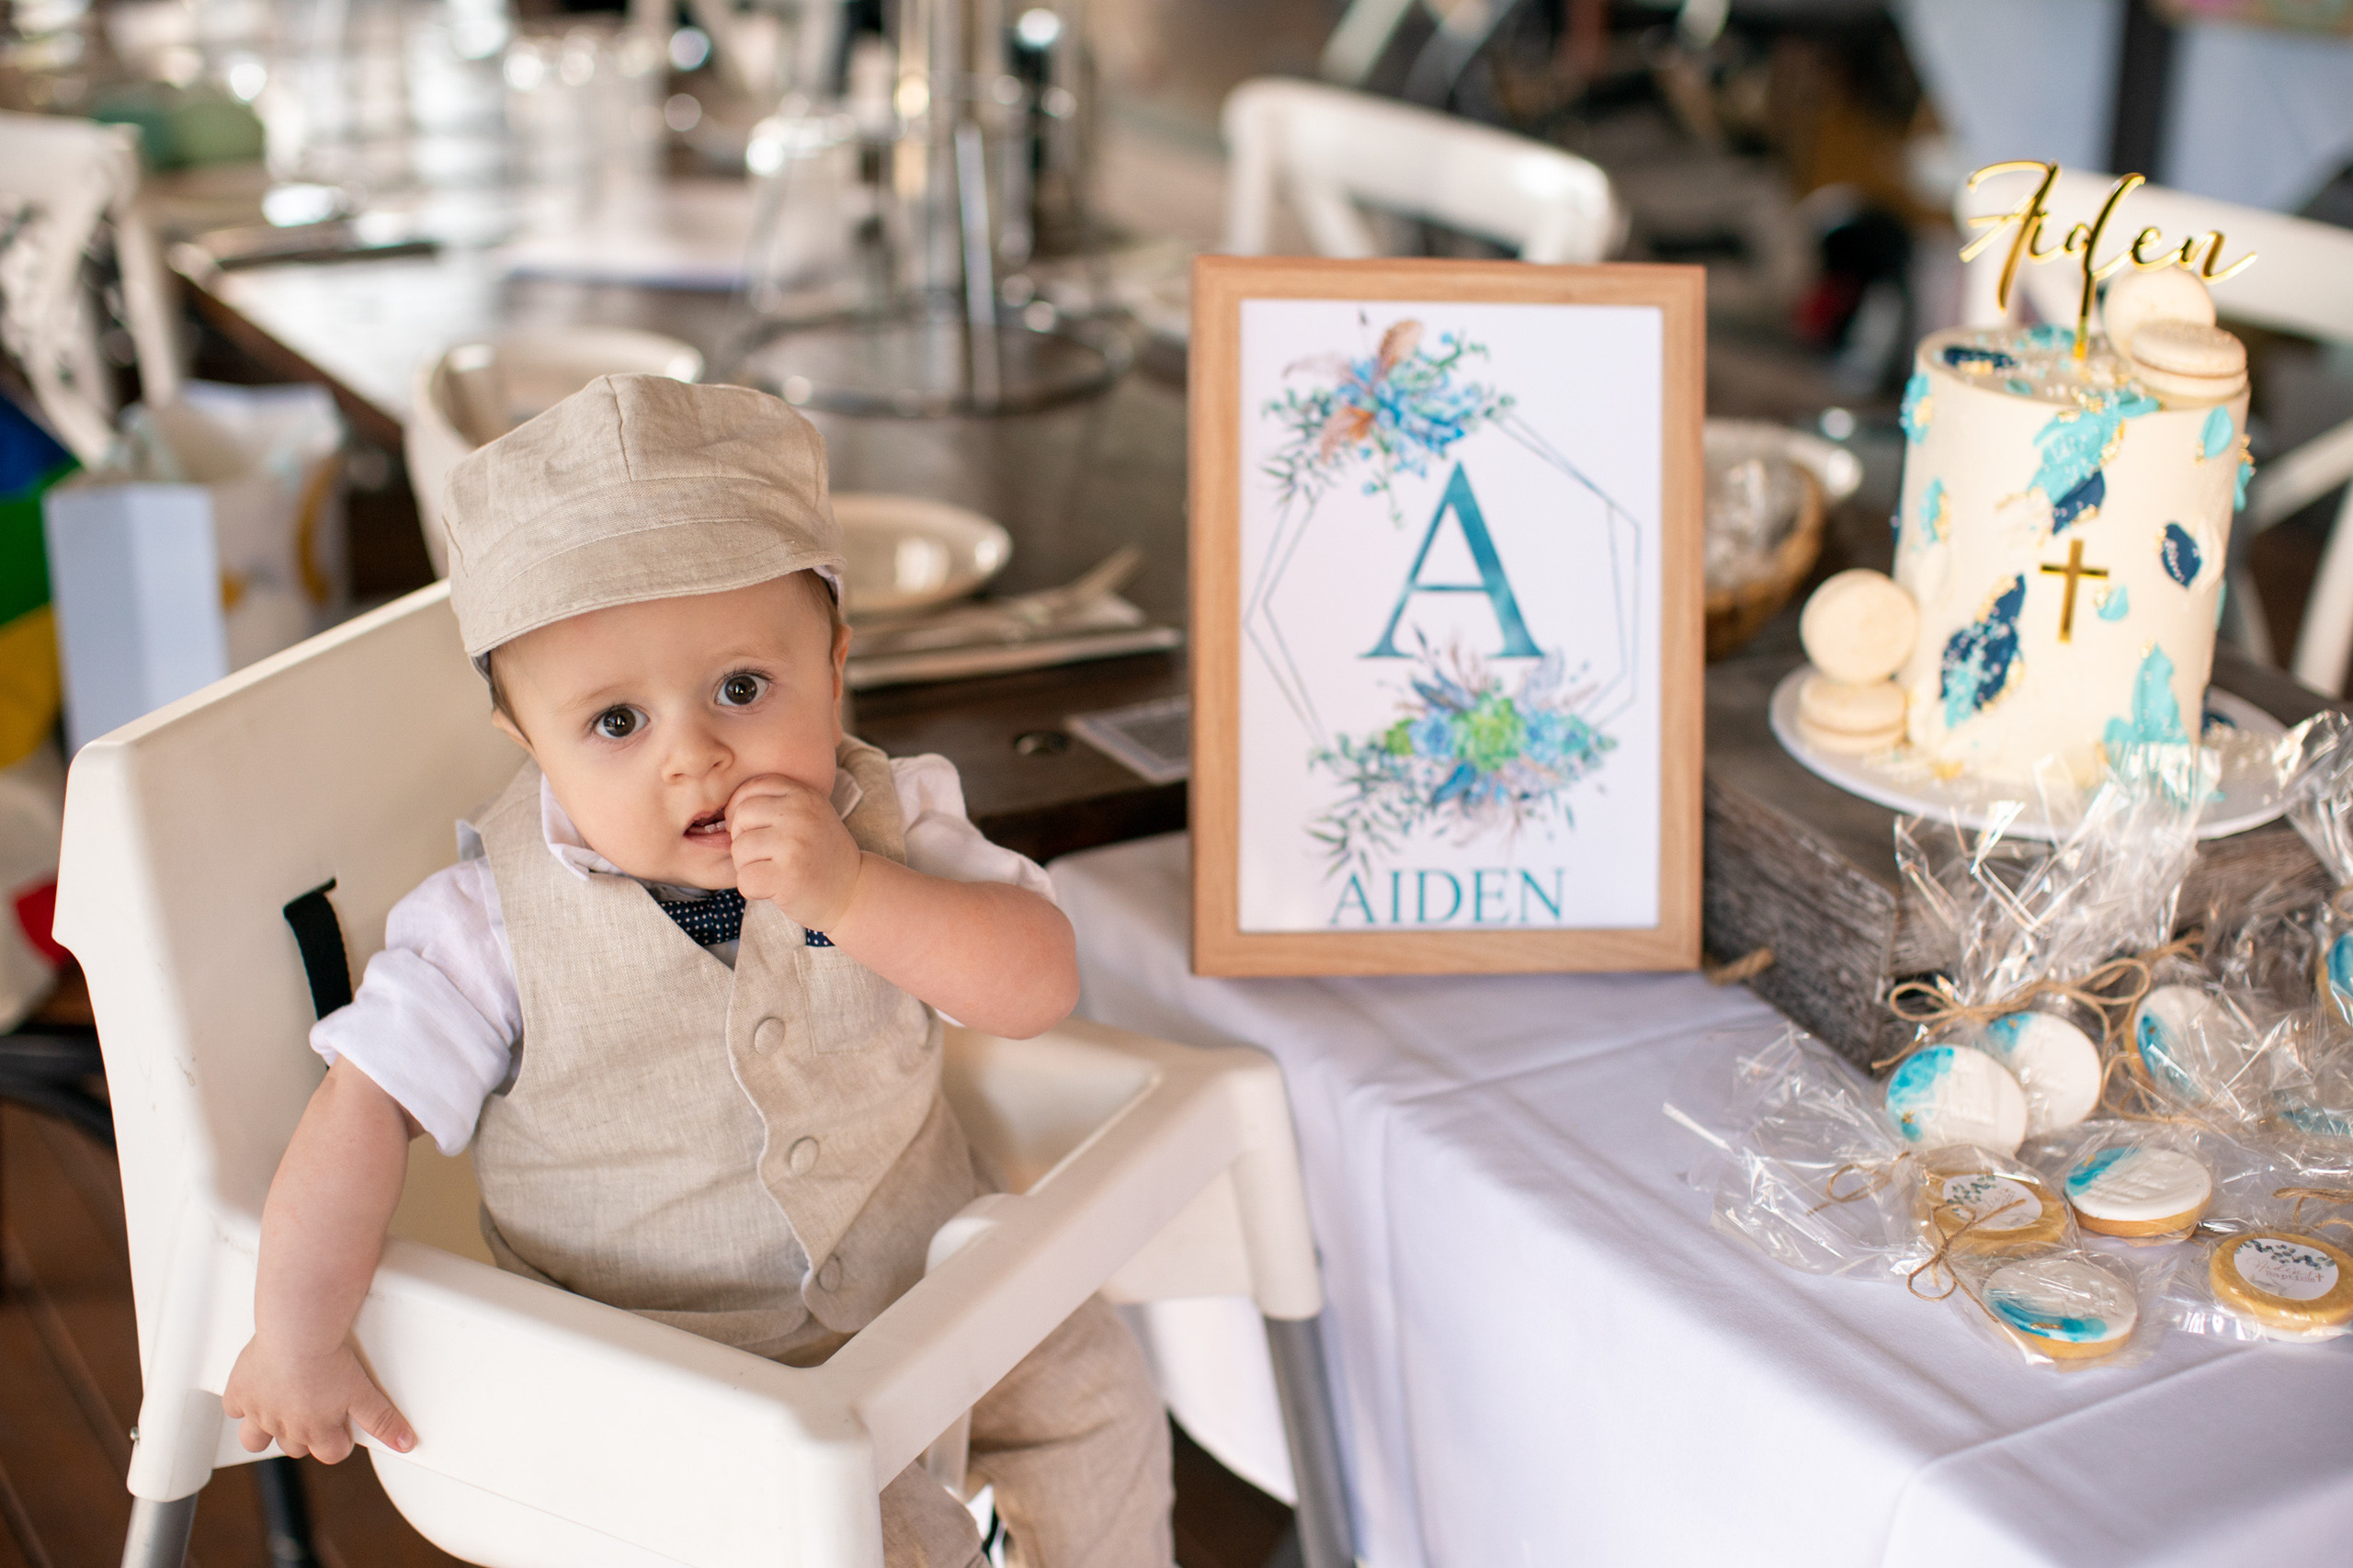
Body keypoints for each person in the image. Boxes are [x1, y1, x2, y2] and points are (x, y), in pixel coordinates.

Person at [220, 373, 1174, 1568]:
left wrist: (856, 895)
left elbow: (1035, 987)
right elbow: (358, 1114)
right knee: (890, 1541)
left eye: (741, 688)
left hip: (925, 1280)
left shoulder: (892, 820)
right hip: (672, 1379)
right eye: (617, 723)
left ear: (835, 664)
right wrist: (295, 1335)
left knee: (1100, 1397)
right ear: (529, 740)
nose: (698, 756)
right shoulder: (486, 925)